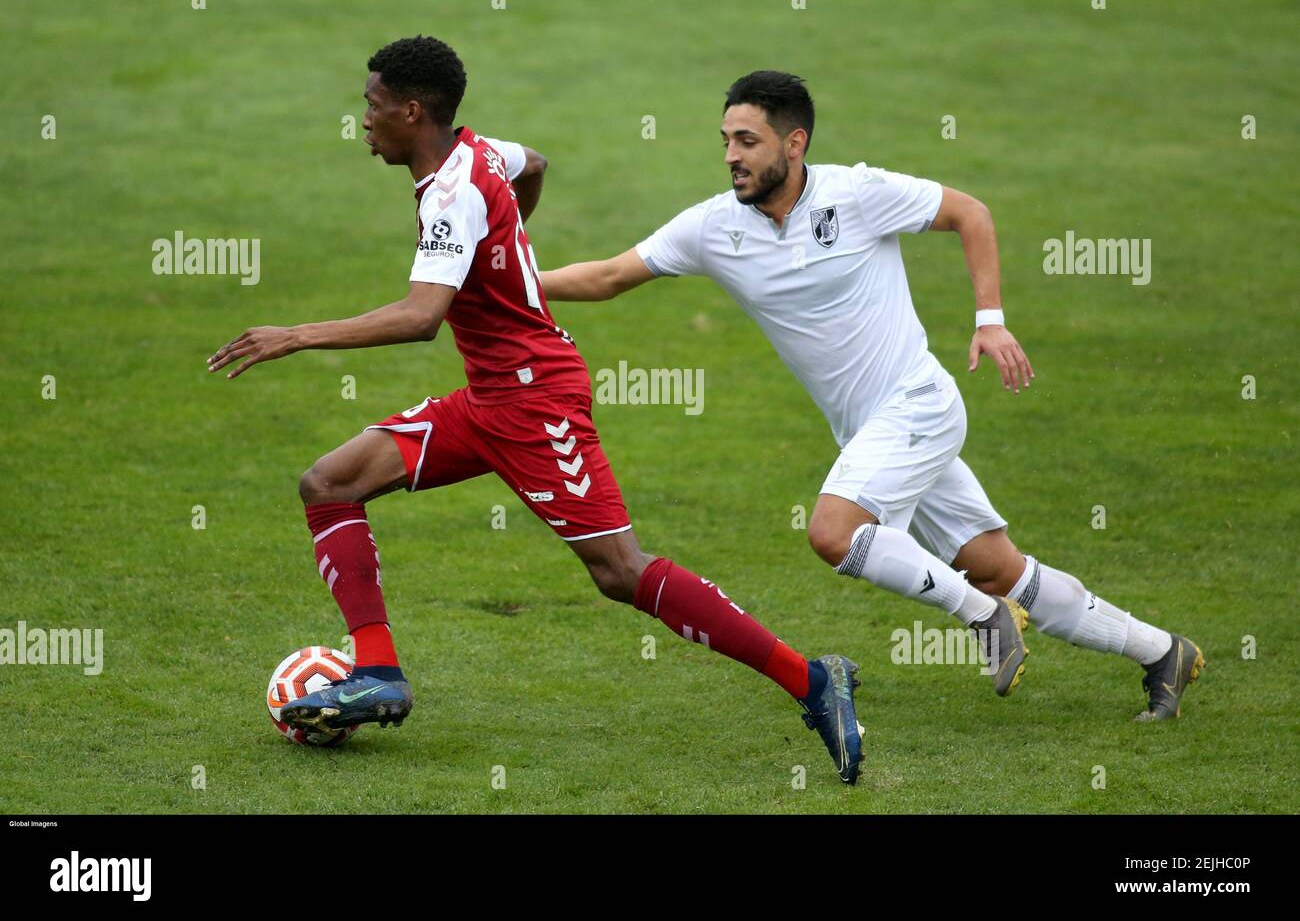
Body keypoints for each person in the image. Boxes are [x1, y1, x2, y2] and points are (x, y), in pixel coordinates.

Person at [207, 41, 865, 783]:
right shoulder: (477, 150)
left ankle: (812, 680)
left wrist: (295, 335)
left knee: (619, 570)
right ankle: (379, 673)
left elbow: (424, 315)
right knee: (328, 482)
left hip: (534, 399)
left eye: (374, 103)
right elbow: (537, 164)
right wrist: (506, 252)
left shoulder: (453, 190)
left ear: (412, 111)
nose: (364, 118)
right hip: (489, 395)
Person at [540, 70, 1205, 721]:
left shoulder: (858, 194)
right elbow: (607, 275)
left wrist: (989, 320)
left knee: (833, 531)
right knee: (997, 566)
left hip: (918, 404)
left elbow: (969, 213)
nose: (731, 157)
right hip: (871, 434)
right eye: (725, 141)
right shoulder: (716, 228)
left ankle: (979, 614)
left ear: (794, 144)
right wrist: (508, 281)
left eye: (747, 141)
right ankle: (1163, 653)